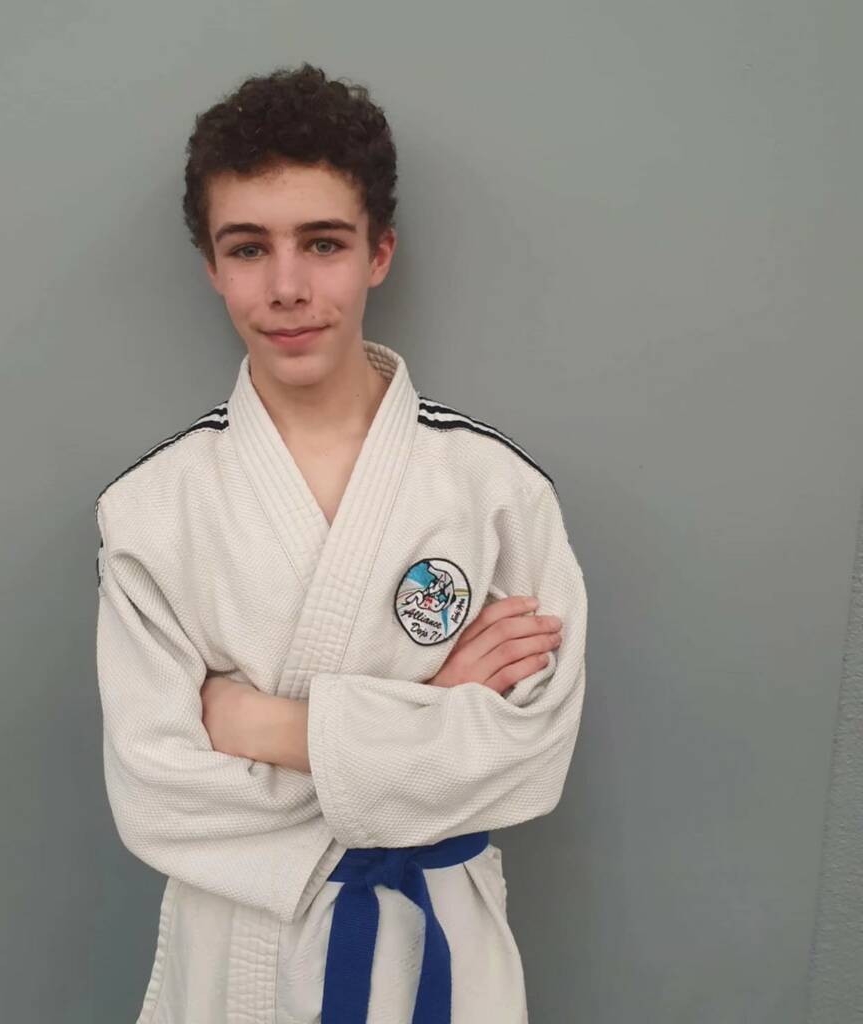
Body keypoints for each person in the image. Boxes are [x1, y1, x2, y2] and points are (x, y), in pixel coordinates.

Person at [94, 61, 588, 1024]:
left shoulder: (494, 490)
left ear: (379, 253)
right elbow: (157, 793)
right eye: (248, 248)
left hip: (434, 945)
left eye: (322, 243)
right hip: (239, 951)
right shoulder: (152, 511)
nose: (287, 287)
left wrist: (265, 728)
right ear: (211, 267)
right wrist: (431, 714)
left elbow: (531, 756)